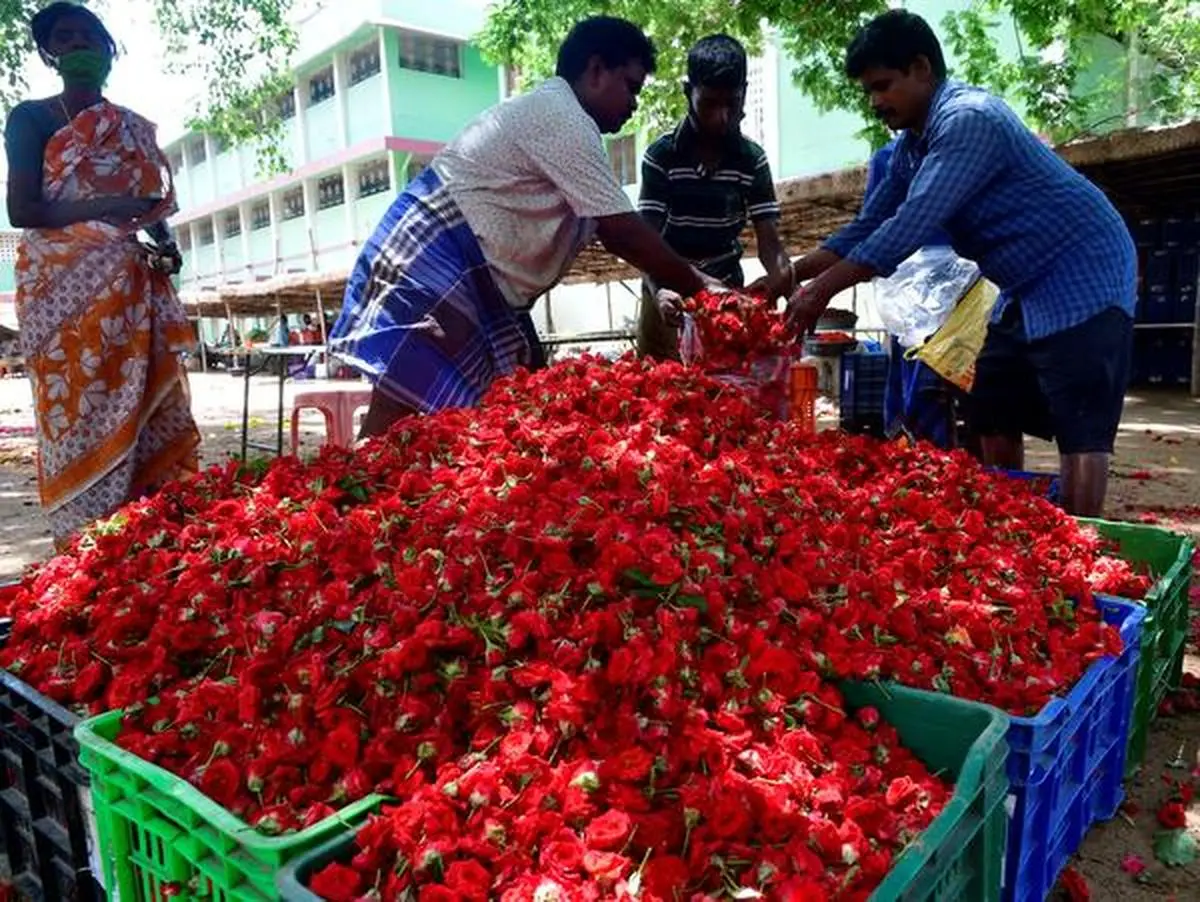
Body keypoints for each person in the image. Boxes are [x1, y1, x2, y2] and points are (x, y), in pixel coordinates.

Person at [767, 10, 1135, 517]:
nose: (875, 102)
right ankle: (1012, 516)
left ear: (921, 68)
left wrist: (820, 292)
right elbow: (867, 226)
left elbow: (910, 225)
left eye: (883, 86)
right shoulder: (909, 149)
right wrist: (785, 279)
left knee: (1081, 420)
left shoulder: (969, 120)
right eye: (868, 92)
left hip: (1081, 270)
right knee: (990, 399)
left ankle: (1079, 546)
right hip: (1021, 285)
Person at [330, 16, 720, 437]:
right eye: (631, 86)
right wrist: (702, 286)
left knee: (517, 408)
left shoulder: (566, 123)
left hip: (476, 277)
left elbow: (618, 234)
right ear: (595, 71)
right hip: (434, 258)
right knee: (397, 418)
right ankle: (357, 499)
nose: (634, 104)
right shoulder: (563, 117)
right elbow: (621, 230)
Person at [4, 2, 201, 548]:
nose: (79, 46)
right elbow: (23, 210)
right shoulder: (32, 119)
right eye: (64, 38)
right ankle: (86, 542)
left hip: (128, 291)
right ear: (49, 54)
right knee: (79, 414)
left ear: (109, 50)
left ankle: (147, 541)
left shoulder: (131, 127)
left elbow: (153, 206)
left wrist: (166, 248)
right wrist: (110, 206)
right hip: (59, 292)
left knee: (143, 405)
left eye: (90, 36)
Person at [635, 34, 789, 360]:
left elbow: (770, 244)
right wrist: (659, 289)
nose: (721, 117)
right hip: (667, 294)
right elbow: (645, 243)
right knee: (659, 389)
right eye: (709, 104)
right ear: (687, 92)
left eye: (732, 104)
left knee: (725, 393)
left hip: (726, 294)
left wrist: (785, 283)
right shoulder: (661, 156)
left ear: (745, 93)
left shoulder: (752, 160)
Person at [865, 138, 963, 450]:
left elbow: (873, 230)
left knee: (933, 387)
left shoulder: (962, 146)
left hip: (957, 291)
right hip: (914, 297)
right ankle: (921, 459)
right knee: (922, 386)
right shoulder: (890, 160)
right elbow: (870, 228)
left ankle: (924, 457)